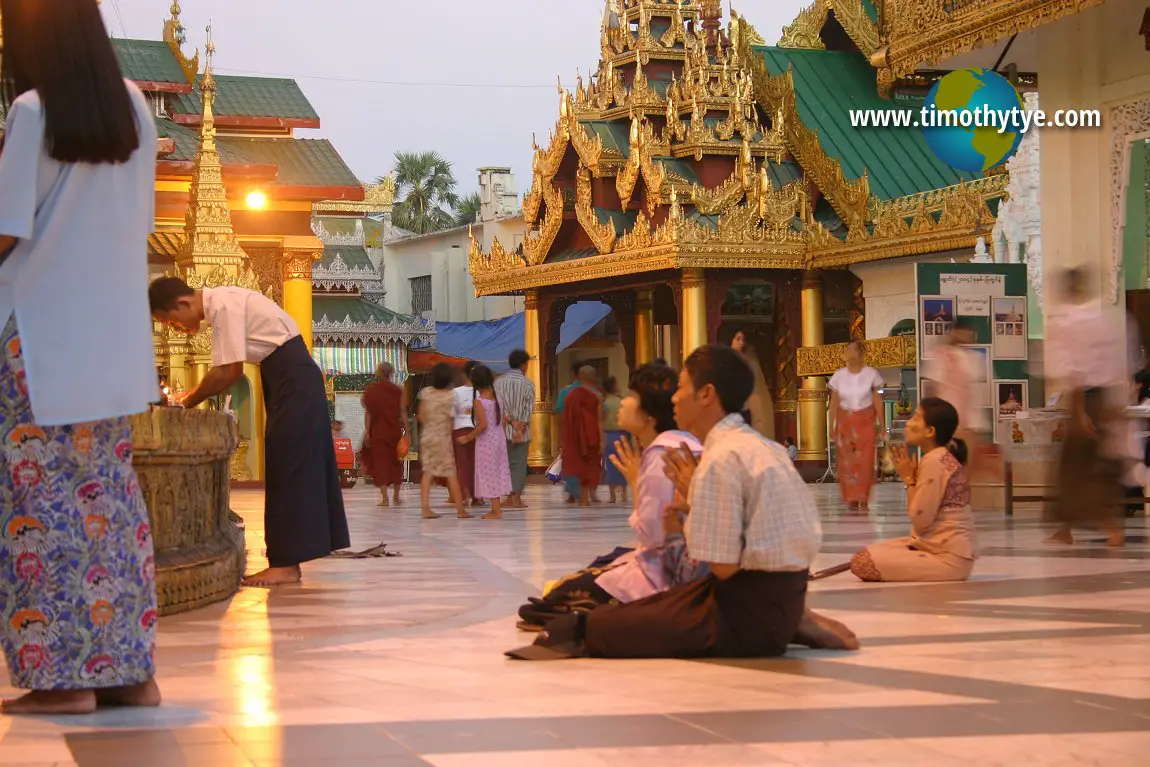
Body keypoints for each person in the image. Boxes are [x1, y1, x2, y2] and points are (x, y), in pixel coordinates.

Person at [0, 0, 161, 715]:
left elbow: (6, 230)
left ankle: (62, 681)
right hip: (115, 344)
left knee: (39, 507)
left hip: (36, 340)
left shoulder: (34, 111)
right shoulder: (135, 108)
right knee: (112, 506)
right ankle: (130, 673)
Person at [507, 345, 858, 661]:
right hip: (774, 600)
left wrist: (686, 521)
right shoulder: (761, 445)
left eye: (681, 388)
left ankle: (791, 622)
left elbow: (721, 567)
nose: (674, 398)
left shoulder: (720, 459)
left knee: (594, 626)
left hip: (741, 620)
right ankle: (792, 619)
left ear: (706, 394)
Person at [150, 278, 350, 587]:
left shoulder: (224, 307)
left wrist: (186, 402)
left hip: (292, 378)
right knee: (289, 465)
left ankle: (284, 564)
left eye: (173, 320)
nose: (178, 328)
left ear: (183, 304)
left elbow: (229, 372)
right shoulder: (223, 303)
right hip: (285, 377)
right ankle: (289, 559)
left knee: (288, 466)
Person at [516, 363, 705, 630]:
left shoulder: (663, 456)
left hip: (664, 576)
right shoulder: (680, 445)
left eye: (632, 397)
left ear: (649, 416)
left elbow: (654, 535)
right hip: (671, 563)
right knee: (598, 565)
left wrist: (637, 486)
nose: (623, 403)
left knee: (550, 600)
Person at [819, 399, 978, 583]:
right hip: (943, 548)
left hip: (947, 557)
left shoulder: (934, 461)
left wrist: (909, 479)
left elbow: (920, 521)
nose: (909, 423)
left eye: (916, 418)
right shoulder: (941, 457)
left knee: (862, 562)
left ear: (930, 431)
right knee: (872, 551)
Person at [1046, 268, 1127, 547]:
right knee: (1080, 468)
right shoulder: (1106, 317)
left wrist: (1079, 413)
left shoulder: (1071, 321)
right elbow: (1118, 363)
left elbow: (1076, 370)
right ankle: (1066, 528)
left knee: (1079, 470)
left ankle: (1110, 526)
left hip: (1085, 399)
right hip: (1104, 397)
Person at [829, 341, 885, 511]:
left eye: (852, 350)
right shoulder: (838, 375)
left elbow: (877, 400)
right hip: (845, 421)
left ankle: (863, 496)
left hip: (866, 420)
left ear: (861, 354)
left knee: (865, 460)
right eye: (847, 350)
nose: (849, 353)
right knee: (846, 461)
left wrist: (882, 426)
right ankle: (851, 497)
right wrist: (831, 426)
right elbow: (834, 403)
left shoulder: (871, 374)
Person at [457, 365, 512, 520]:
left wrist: (467, 438)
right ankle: (496, 507)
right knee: (497, 471)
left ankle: (496, 510)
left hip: (487, 442)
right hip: (499, 439)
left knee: (489, 473)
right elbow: (503, 421)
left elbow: (482, 425)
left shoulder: (479, 401)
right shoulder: (498, 398)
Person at [417, 362, 470, 520]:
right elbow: (455, 416)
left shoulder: (426, 392)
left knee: (428, 472)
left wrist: (430, 424)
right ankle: (460, 510)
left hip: (427, 436)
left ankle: (425, 509)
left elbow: (421, 416)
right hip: (443, 437)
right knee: (450, 472)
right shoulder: (451, 396)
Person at [493, 349, 534, 509]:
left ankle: (509, 497)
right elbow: (528, 410)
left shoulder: (498, 383)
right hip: (521, 432)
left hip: (502, 429)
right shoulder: (528, 384)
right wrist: (520, 429)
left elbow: (497, 408)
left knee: (505, 464)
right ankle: (516, 498)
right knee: (519, 464)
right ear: (523, 365)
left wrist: (510, 422)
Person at [361, 362, 407, 507]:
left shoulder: (371, 391)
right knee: (395, 462)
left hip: (378, 432)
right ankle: (396, 497)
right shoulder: (398, 390)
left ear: (379, 372)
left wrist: (367, 432)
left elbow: (368, 412)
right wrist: (408, 432)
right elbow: (403, 412)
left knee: (381, 464)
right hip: (393, 431)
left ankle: (385, 499)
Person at [562, 366, 605, 507]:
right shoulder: (597, 396)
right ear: (594, 377)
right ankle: (586, 496)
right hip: (591, 435)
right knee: (590, 466)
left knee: (580, 465)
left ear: (579, 377)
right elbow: (599, 420)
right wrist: (602, 440)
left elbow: (566, 419)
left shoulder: (570, 395)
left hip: (575, 436)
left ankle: (584, 497)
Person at [726, 327, 775, 440]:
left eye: (743, 339)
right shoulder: (723, 361)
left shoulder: (750, 363)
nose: (741, 342)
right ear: (730, 341)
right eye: (738, 339)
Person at [554, 362, 584, 503]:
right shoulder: (594, 391)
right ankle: (585, 493)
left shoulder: (566, 391)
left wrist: (560, 434)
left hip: (570, 431)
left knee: (571, 461)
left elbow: (560, 413)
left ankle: (572, 494)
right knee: (586, 461)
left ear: (573, 374)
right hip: (587, 432)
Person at [451, 361, 478, 507]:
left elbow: (452, 415)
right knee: (475, 464)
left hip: (460, 429)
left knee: (462, 465)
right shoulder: (482, 391)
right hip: (477, 431)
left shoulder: (456, 392)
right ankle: (475, 496)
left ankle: (465, 494)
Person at [601, 377, 629, 504]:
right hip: (622, 435)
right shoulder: (622, 402)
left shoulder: (604, 404)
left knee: (610, 465)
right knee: (623, 463)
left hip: (609, 435)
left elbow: (601, 421)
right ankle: (624, 495)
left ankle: (612, 496)